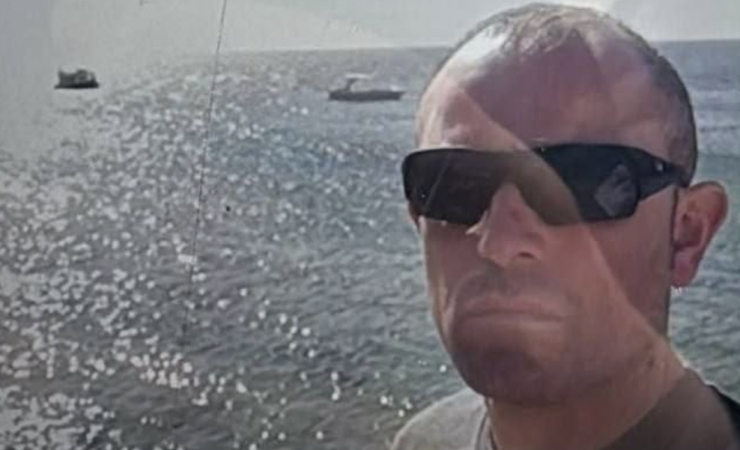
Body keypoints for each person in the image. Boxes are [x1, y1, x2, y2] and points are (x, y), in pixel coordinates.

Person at [392, 3, 740, 450]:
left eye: (579, 180)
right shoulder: (421, 441)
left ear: (687, 236)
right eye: (454, 185)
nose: (500, 242)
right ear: (418, 221)